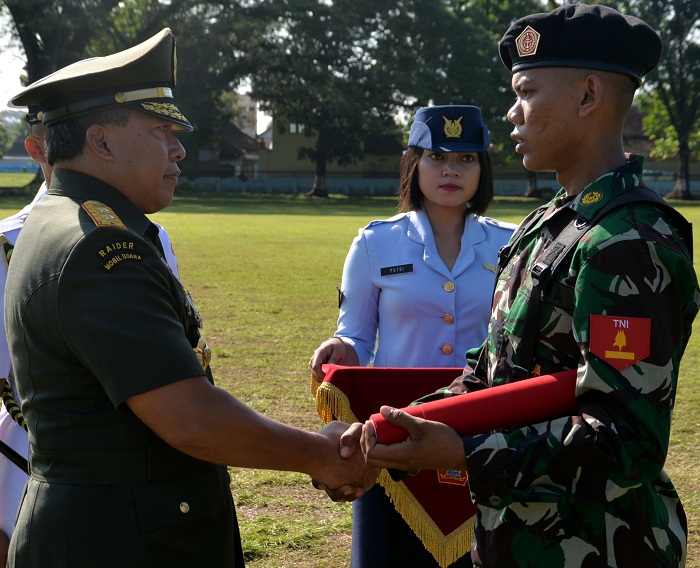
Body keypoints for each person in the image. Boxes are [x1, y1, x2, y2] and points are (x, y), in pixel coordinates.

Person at [341, 5, 699, 567]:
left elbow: (625, 440)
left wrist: (463, 451)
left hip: (599, 547)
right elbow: (491, 373)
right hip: (519, 540)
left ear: (587, 96)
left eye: (527, 92)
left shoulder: (627, 241)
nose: (511, 114)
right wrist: (403, 426)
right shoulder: (551, 222)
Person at [5, 28, 377, 568]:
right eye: (161, 131)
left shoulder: (59, 220)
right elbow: (190, 418)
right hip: (122, 541)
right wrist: (322, 455)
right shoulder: (100, 245)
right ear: (103, 142)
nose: (179, 148)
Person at [309, 105, 515, 567]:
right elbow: (356, 338)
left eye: (467, 159)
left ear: (484, 169)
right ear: (413, 164)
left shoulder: (511, 243)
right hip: (394, 431)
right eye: (437, 157)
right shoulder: (374, 243)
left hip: (480, 429)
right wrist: (341, 349)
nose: (451, 170)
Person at [0, 106, 185, 565]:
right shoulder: (7, 243)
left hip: (133, 477)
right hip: (23, 465)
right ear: (39, 149)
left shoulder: (150, 235)